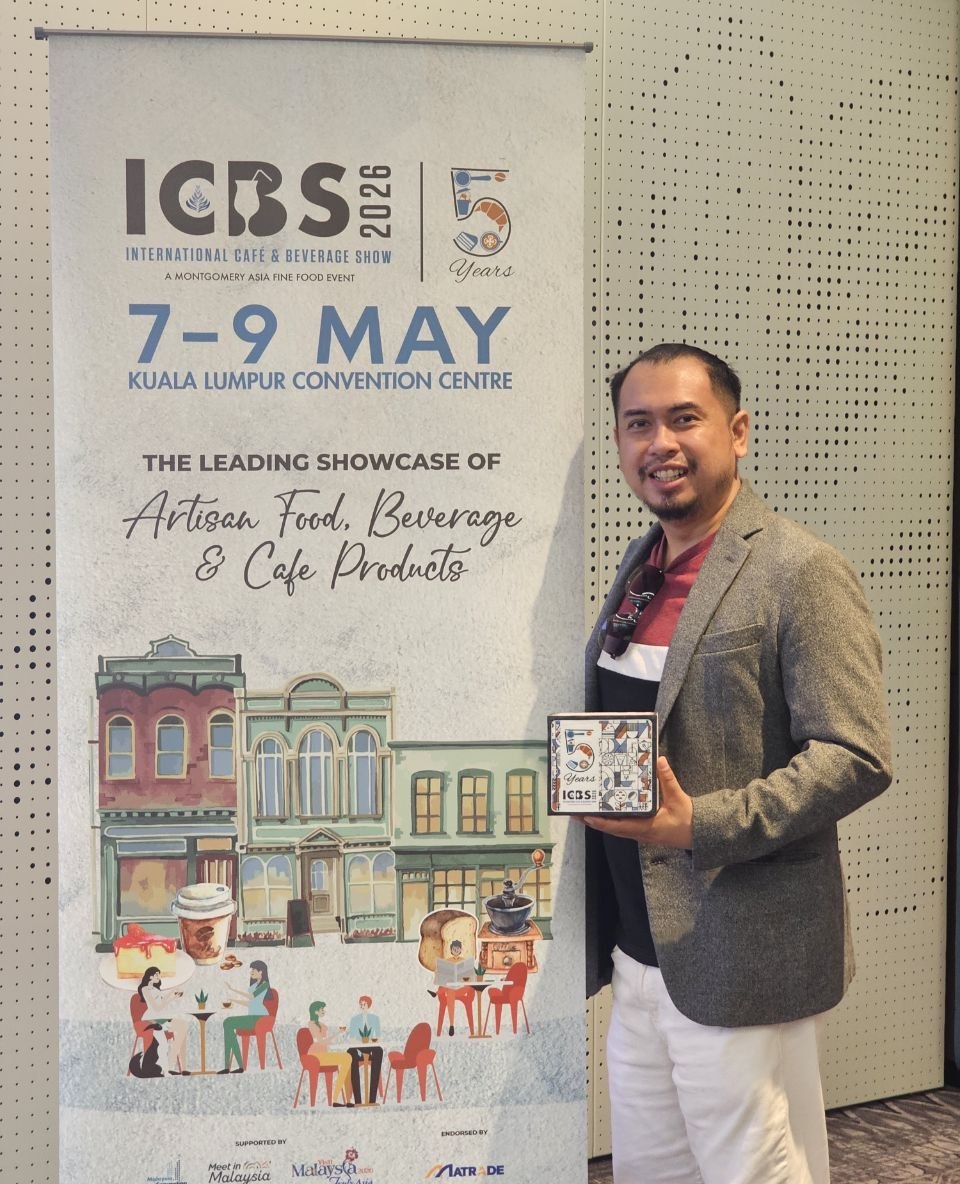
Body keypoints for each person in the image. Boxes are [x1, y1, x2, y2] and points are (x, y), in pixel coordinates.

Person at [583, 344, 892, 1184]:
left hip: (739, 946)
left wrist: (701, 823)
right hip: (639, 947)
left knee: (751, 1169)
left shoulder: (799, 570)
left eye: (684, 419)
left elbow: (856, 754)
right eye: (638, 424)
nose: (660, 443)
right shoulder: (641, 567)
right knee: (651, 1169)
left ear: (738, 431)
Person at [137, 966, 190, 1075]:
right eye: (156, 975)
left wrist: (172, 993)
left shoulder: (156, 989)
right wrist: (172, 998)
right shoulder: (145, 989)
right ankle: (169, 1065)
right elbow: (156, 1008)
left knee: (183, 1027)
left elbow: (162, 1000)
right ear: (150, 976)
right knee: (170, 1038)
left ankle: (178, 1065)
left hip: (162, 1017)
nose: (159, 977)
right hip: (153, 1018)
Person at [220, 959, 270, 1073]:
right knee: (227, 1024)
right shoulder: (254, 985)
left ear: (261, 972)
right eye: (251, 969)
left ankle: (235, 1066)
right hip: (253, 1016)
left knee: (228, 1022)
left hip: (260, 1018)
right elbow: (249, 1004)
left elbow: (252, 997)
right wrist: (233, 1000)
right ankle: (231, 1066)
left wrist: (232, 989)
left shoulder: (265, 984)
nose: (251, 972)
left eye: (254, 970)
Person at [306, 1000, 354, 1105]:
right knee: (347, 1058)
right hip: (316, 1056)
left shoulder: (319, 1024)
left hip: (323, 1053)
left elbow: (324, 1041)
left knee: (348, 1058)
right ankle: (337, 1097)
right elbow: (321, 1042)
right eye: (321, 1009)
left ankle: (341, 1097)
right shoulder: (311, 1024)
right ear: (315, 1012)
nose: (323, 1011)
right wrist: (337, 1033)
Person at [346, 995, 384, 1103]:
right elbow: (352, 1037)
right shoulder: (354, 1020)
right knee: (350, 1052)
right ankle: (357, 1100)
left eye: (364, 1004)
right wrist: (359, 1042)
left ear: (369, 1005)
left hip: (371, 1046)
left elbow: (378, 1036)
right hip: (358, 1048)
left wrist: (371, 1041)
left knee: (379, 1050)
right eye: (361, 1004)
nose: (362, 1006)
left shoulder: (375, 1019)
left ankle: (372, 1099)